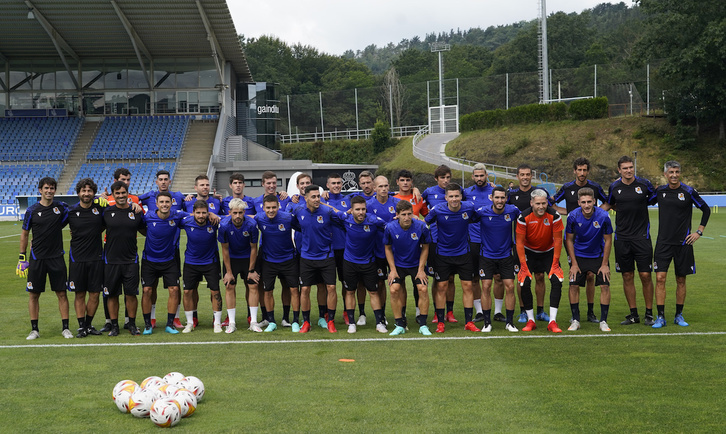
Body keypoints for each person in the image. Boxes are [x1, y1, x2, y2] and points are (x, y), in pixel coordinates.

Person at [652, 161, 710, 328]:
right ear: (665, 174)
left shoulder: (688, 191)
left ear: (680, 173)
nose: (674, 175)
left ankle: (679, 315)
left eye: (677, 172)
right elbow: (643, 203)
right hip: (663, 243)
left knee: (681, 279)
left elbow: (706, 210)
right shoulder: (660, 191)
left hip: (683, 243)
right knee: (660, 278)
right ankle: (660, 317)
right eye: (671, 172)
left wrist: (698, 232)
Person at [552, 157, 609, 324]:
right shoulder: (567, 187)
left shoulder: (595, 187)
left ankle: (591, 312)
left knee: (591, 276)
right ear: (574, 171)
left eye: (585, 170)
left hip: (593, 235)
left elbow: (608, 203)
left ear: (588, 171)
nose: (582, 173)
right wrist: (569, 213)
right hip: (574, 237)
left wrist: (595, 213)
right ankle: (575, 315)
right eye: (579, 170)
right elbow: (552, 204)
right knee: (576, 276)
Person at [605, 155, 657, 326]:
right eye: (625, 168)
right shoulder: (614, 187)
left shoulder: (644, 184)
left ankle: (649, 314)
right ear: (619, 170)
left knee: (645, 275)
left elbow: (655, 197)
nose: (628, 171)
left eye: (630, 167)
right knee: (627, 275)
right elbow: (610, 204)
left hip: (642, 237)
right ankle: (633, 314)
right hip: (622, 238)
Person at [17, 177, 72, 340]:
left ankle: (66, 328)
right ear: (40, 190)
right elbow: (25, 234)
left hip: (56, 257)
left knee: (62, 293)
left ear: (55, 190)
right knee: (33, 295)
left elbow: (78, 212)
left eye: (52, 188)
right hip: (37, 259)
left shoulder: (61, 207)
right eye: (46, 188)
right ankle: (34, 330)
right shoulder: (32, 211)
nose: (49, 191)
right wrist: (22, 257)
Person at [424, 183, 479, 333]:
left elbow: (481, 216)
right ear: (446, 197)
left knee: (467, 286)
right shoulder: (438, 210)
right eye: (451, 196)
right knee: (441, 287)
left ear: (461, 196)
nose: (454, 199)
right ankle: (441, 323)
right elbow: (424, 224)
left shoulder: (469, 207)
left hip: (463, 253)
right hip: (443, 254)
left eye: (457, 196)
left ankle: (469, 322)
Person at [290, 185, 343, 333]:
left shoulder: (327, 211)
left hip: (326, 256)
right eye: (313, 197)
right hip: (306, 257)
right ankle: (306, 322)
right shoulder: (299, 211)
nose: (316, 199)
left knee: (331, 287)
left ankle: (330, 320)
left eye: (318, 196)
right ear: (305, 198)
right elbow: (295, 224)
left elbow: (342, 221)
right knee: (305, 289)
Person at [137, 170, 185, 328]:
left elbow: (195, 213)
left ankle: (172, 322)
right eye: (161, 179)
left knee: (174, 289)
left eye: (167, 202)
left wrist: (212, 215)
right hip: (149, 259)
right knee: (148, 290)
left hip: (171, 256)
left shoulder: (177, 212)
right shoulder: (148, 215)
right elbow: (132, 201)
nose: (164, 205)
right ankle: (149, 321)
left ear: (171, 202)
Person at [515, 189, 565, 333]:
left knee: (557, 280)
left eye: (544, 203)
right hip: (529, 252)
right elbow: (519, 243)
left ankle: (552, 321)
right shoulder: (523, 217)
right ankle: (531, 320)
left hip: (548, 252)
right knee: (524, 281)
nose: (541, 206)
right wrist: (523, 266)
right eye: (538, 203)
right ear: (532, 203)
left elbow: (558, 240)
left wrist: (555, 263)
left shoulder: (554, 216)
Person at [336, 196, 387, 333]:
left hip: (369, 262)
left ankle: (379, 323)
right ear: (351, 210)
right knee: (350, 291)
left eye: (363, 209)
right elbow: (334, 214)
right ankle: (352, 323)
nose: (361, 212)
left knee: (373, 292)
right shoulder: (345, 219)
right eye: (357, 209)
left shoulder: (373, 220)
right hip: (349, 262)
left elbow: (390, 227)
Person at [565, 188, 613, 332]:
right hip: (579, 255)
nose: (586, 205)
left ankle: (603, 321)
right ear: (579, 202)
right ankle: (575, 320)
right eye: (583, 202)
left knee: (604, 286)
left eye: (589, 202)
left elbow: (608, 240)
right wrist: (573, 263)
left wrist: (605, 264)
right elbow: (569, 240)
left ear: (594, 202)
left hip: (597, 255)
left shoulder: (603, 216)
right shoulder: (572, 216)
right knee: (573, 285)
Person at [508, 164, 551, 323]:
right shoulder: (511, 195)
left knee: (540, 276)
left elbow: (551, 214)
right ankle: (524, 311)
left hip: (540, 245)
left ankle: (540, 311)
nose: (525, 177)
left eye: (527, 174)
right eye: (522, 174)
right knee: (522, 277)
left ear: (531, 176)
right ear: (517, 176)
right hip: (519, 244)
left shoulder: (540, 194)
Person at [474, 186, 520, 332]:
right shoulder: (482, 212)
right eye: (497, 197)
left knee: (510, 287)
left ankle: (510, 322)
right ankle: (487, 323)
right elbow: (464, 220)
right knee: (486, 286)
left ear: (506, 198)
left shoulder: (512, 211)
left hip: (506, 256)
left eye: (502, 198)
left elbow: (525, 219)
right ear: (491, 198)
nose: (500, 201)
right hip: (486, 256)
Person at [102, 181, 145, 337]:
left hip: (131, 260)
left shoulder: (137, 212)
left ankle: (132, 324)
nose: (121, 195)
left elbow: (147, 231)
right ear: (113, 195)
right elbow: (94, 228)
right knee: (112, 295)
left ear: (128, 193)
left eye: (123, 193)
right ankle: (114, 326)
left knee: (131, 294)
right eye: (117, 193)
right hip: (110, 260)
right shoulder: (106, 212)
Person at [384, 200, 433, 336]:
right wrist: (392, 270)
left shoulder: (421, 227)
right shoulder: (389, 227)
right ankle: (399, 324)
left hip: (416, 264)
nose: (407, 218)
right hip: (398, 265)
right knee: (394, 290)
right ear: (397, 215)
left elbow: (425, 247)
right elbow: (387, 248)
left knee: (422, 289)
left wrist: (421, 269)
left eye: (409, 214)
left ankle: (423, 324)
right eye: (403, 214)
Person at [255, 195, 301, 332]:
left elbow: (303, 228)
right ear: (263, 208)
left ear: (278, 206)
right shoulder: (259, 218)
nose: (271, 210)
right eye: (268, 208)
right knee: (268, 291)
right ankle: (272, 321)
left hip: (289, 260)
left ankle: (293, 320)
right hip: (268, 261)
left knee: (292, 290)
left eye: (274, 207)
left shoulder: (287, 218)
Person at [67, 178, 107, 337]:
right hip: (77, 258)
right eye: (83, 191)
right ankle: (81, 326)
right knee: (79, 294)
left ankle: (89, 325)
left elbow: (107, 222)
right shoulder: (70, 211)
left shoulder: (100, 209)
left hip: (96, 257)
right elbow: (53, 225)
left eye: (89, 191)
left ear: (93, 193)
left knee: (95, 293)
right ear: (78, 193)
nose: (86, 193)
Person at [421, 164, 459, 323]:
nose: (446, 180)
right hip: (434, 241)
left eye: (448, 177)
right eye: (442, 177)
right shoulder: (429, 192)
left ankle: (450, 312)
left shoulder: (458, 191)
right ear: (436, 178)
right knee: (437, 278)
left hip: (453, 242)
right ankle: (438, 311)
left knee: (450, 279)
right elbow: (416, 204)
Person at [218, 198, 261, 332]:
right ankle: (231, 323)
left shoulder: (252, 224)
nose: (237, 216)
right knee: (229, 286)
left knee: (253, 285)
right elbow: (224, 249)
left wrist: (252, 269)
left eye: (240, 213)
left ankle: (253, 322)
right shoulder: (224, 225)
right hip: (231, 258)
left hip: (248, 257)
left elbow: (254, 248)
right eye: (235, 213)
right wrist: (229, 272)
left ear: (244, 212)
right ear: (230, 212)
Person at [179, 200, 222, 333]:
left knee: (215, 292)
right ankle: (190, 323)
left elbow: (230, 217)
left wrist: (217, 216)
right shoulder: (186, 222)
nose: (201, 215)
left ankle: (217, 323)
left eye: (204, 213)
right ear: (193, 213)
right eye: (198, 213)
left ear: (208, 213)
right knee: (187, 292)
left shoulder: (214, 222)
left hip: (211, 262)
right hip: (191, 262)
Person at [366, 176, 400, 324]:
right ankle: (382, 315)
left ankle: (401, 315)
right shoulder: (368, 205)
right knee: (380, 283)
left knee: (399, 283)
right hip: (377, 250)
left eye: (386, 186)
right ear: (374, 188)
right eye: (380, 186)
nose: (384, 189)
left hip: (396, 250)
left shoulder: (397, 203)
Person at [463, 163, 495, 323]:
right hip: (473, 241)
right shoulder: (466, 193)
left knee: (498, 278)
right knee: (475, 278)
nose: (479, 178)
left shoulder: (495, 191)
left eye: (482, 175)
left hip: (493, 241)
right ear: (472, 177)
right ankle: (480, 312)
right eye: (476, 176)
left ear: (486, 175)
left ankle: (497, 312)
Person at [322, 173, 355, 324]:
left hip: (344, 248)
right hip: (326, 249)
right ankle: (327, 313)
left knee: (345, 282)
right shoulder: (321, 200)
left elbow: (371, 193)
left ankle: (347, 312)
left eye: (338, 183)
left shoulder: (348, 200)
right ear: (327, 186)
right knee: (327, 284)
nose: (336, 185)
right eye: (333, 183)